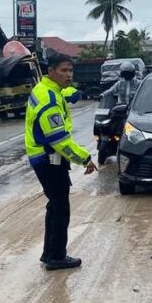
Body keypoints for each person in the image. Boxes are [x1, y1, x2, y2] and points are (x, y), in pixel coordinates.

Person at [25, 53, 97, 271]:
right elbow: (58, 140)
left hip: (41, 157)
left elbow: (62, 93)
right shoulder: (50, 100)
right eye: (64, 71)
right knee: (60, 208)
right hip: (50, 159)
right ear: (51, 71)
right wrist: (85, 158)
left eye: (70, 71)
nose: (69, 75)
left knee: (54, 206)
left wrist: (75, 93)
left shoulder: (44, 89)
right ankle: (56, 256)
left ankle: (49, 253)